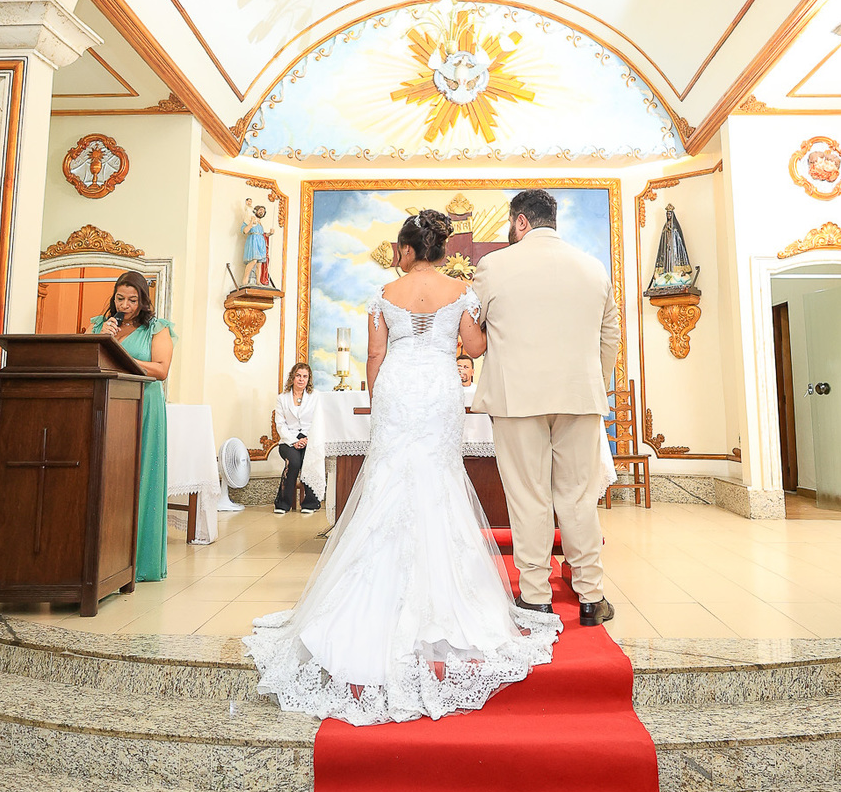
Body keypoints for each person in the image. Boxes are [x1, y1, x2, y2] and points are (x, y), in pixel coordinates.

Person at [245, 210, 559, 723]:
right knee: (440, 476)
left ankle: (369, 595)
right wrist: (473, 323)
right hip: (438, 387)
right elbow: (475, 347)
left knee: (388, 477)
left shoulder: (384, 293)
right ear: (441, 249)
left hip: (396, 388)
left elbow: (375, 355)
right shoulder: (460, 291)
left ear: (409, 250)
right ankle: (447, 598)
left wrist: (381, 398)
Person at [473, 189, 620, 626]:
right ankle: (590, 595)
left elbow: (474, 329)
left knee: (528, 497)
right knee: (578, 497)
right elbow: (609, 337)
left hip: (517, 398)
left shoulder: (493, 266)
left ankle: (536, 596)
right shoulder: (593, 268)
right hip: (579, 396)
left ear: (521, 221)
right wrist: (592, 385)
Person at [91, 272, 174, 582]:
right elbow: (84, 358)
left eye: (132, 300)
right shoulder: (100, 326)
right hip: (107, 404)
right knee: (107, 477)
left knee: (141, 474)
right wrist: (101, 340)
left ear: (143, 301)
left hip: (144, 405)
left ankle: (139, 560)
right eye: (120, 298)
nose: (125, 305)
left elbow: (161, 370)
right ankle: (105, 560)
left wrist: (119, 353)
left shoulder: (157, 328)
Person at [275, 361, 321, 516]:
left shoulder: (315, 396)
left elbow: (318, 421)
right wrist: (294, 441)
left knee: (309, 460)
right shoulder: (282, 398)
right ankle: (283, 503)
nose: (301, 379)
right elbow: (280, 425)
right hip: (288, 440)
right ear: (292, 378)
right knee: (294, 462)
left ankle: (311, 503)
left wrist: (308, 439)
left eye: (305, 376)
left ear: (309, 379)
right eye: (298, 376)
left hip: (310, 438)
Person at [242, 200, 272, 287]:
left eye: (263, 211)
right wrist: (251, 222)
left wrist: (269, 234)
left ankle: (258, 282)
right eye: (260, 210)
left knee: (260, 262)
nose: (262, 212)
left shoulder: (260, 223)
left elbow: (262, 234)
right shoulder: (249, 219)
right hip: (253, 241)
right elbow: (245, 231)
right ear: (256, 210)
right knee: (253, 261)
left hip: (260, 243)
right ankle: (245, 281)